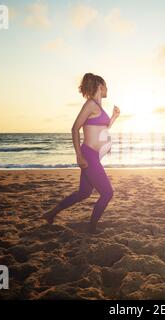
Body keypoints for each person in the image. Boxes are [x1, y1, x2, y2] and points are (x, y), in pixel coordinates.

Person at [42, 73, 120, 234]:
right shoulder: (90, 104)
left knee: (84, 193)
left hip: (95, 156)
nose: (107, 89)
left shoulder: (98, 107)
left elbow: (102, 129)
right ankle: (91, 228)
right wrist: (79, 155)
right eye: (105, 85)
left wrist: (113, 117)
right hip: (89, 155)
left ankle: (50, 214)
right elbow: (75, 128)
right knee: (107, 193)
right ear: (100, 85)